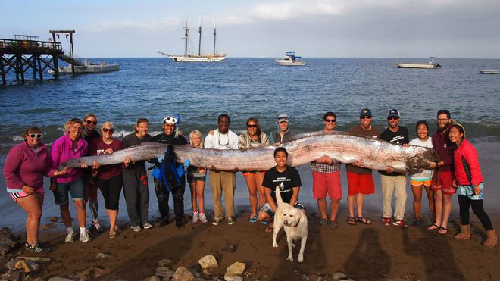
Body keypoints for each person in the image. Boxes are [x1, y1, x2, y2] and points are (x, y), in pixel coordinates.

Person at [4, 127, 67, 252]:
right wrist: (22, 187)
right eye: (32, 135)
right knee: (36, 214)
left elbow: (46, 170)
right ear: (26, 136)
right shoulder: (18, 150)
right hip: (19, 188)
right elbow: (8, 172)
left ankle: (30, 242)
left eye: (38, 136)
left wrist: (56, 173)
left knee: (32, 215)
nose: (35, 138)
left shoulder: (43, 150)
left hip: (37, 187)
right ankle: (34, 244)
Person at [449, 123, 497, 247]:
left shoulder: (467, 148)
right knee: (463, 208)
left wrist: (475, 185)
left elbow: (474, 167)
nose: (452, 134)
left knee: (478, 210)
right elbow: (459, 167)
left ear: (461, 134)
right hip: (462, 185)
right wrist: (455, 179)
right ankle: (465, 233)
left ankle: (491, 236)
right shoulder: (456, 148)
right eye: (450, 132)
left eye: (455, 132)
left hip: (474, 184)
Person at [51, 118, 91, 243]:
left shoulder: (84, 144)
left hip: (76, 177)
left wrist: (85, 165)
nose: (77, 130)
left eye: (79, 128)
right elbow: (53, 164)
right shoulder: (59, 143)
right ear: (69, 128)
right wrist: (53, 181)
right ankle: (69, 231)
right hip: (60, 178)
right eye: (74, 128)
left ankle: (83, 232)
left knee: (80, 203)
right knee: (64, 206)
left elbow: (83, 160)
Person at [89, 122, 125, 239]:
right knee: (108, 199)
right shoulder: (95, 142)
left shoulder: (117, 143)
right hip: (101, 176)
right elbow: (92, 157)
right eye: (105, 130)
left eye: (110, 130)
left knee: (114, 199)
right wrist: (94, 166)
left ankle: (112, 227)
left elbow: (121, 159)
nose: (108, 132)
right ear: (101, 131)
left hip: (116, 174)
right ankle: (113, 225)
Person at [345, 109, 380, 225]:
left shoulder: (376, 132)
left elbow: (380, 151)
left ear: (371, 118)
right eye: (363, 118)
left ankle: (359, 215)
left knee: (361, 192)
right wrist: (352, 161)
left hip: (366, 168)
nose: (365, 120)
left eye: (367, 117)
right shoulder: (353, 131)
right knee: (352, 192)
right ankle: (351, 215)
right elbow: (345, 148)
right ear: (360, 119)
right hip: (352, 167)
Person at [152, 116, 188, 228]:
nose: (169, 128)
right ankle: (164, 218)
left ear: (175, 127)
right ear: (163, 126)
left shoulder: (181, 139)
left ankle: (179, 218)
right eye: (167, 125)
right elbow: (148, 156)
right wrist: (156, 160)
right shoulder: (156, 139)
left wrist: (187, 163)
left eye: (172, 126)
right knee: (162, 198)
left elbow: (188, 153)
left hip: (177, 171)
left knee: (178, 196)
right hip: (160, 172)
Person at [258, 147, 303, 232]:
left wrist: (289, 210)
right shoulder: (269, 173)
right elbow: (267, 194)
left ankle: (280, 224)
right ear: (275, 159)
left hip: (290, 203)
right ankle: (273, 222)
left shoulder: (293, 172)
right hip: (275, 203)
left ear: (287, 158)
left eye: (283, 156)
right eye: (278, 156)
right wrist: (277, 212)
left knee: (302, 214)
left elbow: (295, 194)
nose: (281, 159)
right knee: (261, 216)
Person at [205, 113, 239, 225]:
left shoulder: (234, 136)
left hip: (229, 171)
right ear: (218, 123)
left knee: (229, 195)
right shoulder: (210, 136)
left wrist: (235, 166)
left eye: (226, 121)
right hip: (215, 170)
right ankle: (218, 215)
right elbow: (207, 153)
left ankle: (230, 215)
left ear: (229, 123)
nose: (224, 123)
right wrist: (211, 164)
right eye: (222, 121)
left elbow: (237, 153)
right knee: (216, 194)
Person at [311, 112, 342, 229]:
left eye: (333, 120)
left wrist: (332, 161)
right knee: (320, 196)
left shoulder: (340, 137)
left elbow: (343, 152)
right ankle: (324, 217)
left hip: (333, 170)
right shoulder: (316, 136)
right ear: (324, 121)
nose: (330, 123)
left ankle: (333, 218)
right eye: (328, 120)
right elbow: (308, 151)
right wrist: (316, 158)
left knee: (336, 197)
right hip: (318, 169)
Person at [379, 109, 410, 228]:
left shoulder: (404, 130)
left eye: (395, 118)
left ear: (399, 119)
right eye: (390, 118)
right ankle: (386, 216)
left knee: (402, 195)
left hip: (400, 171)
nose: (393, 120)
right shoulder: (384, 135)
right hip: (387, 171)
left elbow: (405, 150)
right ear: (388, 120)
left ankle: (399, 218)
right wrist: (386, 167)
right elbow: (381, 154)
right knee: (387, 195)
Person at [122, 118, 153, 231]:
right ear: (137, 128)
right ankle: (134, 223)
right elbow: (120, 156)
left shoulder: (149, 138)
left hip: (141, 171)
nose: (145, 129)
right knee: (132, 199)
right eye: (142, 127)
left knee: (144, 197)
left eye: (146, 126)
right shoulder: (128, 139)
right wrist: (126, 162)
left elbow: (152, 153)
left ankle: (144, 221)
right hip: (129, 173)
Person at [427, 110, 455, 234]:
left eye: (444, 119)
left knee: (446, 199)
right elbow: (434, 153)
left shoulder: (452, 134)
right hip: (437, 171)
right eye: (439, 119)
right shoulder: (436, 135)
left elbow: (452, 157)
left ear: (449, 120)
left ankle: (444, 224)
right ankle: (437, 222)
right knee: (437, 197)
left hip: (448, 171)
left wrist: (438, 164)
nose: (441, 121)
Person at [238, 117, 270, 223]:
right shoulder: (242, 137)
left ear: (257, 126)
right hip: (248, 167)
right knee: (252, 191)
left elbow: (267, 151)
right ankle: (254, 212)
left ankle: (262, 212)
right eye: (249, 126)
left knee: (262, 192)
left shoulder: (263, 136)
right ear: (247, 127)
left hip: (261, 167)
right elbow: (241, 152)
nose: (252, 128)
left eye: (254, 125)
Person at [409, 120, 434, 226]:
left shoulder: (433, 141)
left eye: (424, 128)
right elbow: (409, 161)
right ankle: (417, 218)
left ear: (428, 130)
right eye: (419, 129)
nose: (421, 131)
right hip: (416, 176)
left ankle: (435, 217)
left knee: (432, 197)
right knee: (417, 198)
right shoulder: (412, 143)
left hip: (430, 175)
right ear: (416, 131)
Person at [82, 113, 104, 233]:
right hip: (82, 168)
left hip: (94, 166)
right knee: (85, 197)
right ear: (84, 122)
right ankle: (83, 224)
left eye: (94, 122)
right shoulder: (80, 134)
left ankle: (95, 221)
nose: (91, 124)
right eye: (89, 122)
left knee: (94, 195)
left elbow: (99, 149)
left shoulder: (96, 134)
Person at [187, 130, 208, 223]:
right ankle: (195, 213)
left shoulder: (204, 149)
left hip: (201, 172)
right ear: (191, 139)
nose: (197, 140)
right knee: (193, 194)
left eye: (198, 138)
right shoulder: (188, 148)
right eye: (194, 138)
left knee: (200, 194)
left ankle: (202, 213)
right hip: (191, 172)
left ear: (201, 139)